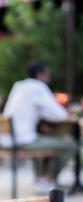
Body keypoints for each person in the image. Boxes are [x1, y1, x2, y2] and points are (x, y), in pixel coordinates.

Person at [1, 61, 76, 191]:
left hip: (5, 140)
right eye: (48, 73)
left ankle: (41, 179)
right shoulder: (38, 87)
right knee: (70, 145)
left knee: (46, 138)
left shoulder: (18, 86)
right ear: (41, 74)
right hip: (21, 141)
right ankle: (46, 180)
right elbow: (60, 115)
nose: (49, 76)